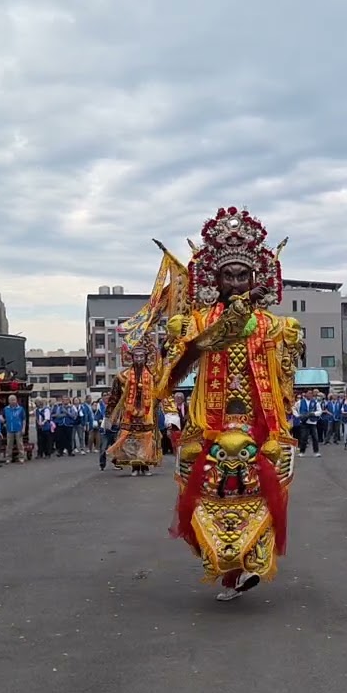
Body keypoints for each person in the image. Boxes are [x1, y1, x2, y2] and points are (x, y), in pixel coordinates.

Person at [153, 206, 305, 602]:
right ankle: (227, 571)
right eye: (228, 275)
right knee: (207, 497)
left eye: (243, 276)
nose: (236, 282)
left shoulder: (275, 326)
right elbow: (172, 372)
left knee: (265, 492)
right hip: (210, 426)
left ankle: (253, 560)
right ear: (215, 278)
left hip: (261, 425)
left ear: (256, 278)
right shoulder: (199, 324)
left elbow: (285, 384)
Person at [106, 333, 162, 476]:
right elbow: (114, 396)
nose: (138, 359)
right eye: (136, 357)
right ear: (131, 358)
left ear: (145, 358)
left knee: (147, 438)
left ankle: (146, 465)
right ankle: (135, 467)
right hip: (129, 413)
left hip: (147, 412)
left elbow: (160, 392)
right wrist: (109, 415)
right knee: (129, 438)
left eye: (141, 357)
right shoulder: (123, 376)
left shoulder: (152, 376)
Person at [4, 394, 26, 464]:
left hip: (18, 429)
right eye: (11, 400)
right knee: (9, 445)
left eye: (14, 400)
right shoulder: (6, 409)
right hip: (9, 429)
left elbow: (24, 419)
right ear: (8, 401)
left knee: (20, 444)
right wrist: (2, 419)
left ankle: (21, 457)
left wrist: (23, 428)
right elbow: (1, 416)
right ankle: (8, 458)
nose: (13, 401)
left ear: (16, 400)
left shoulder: (21, 409)